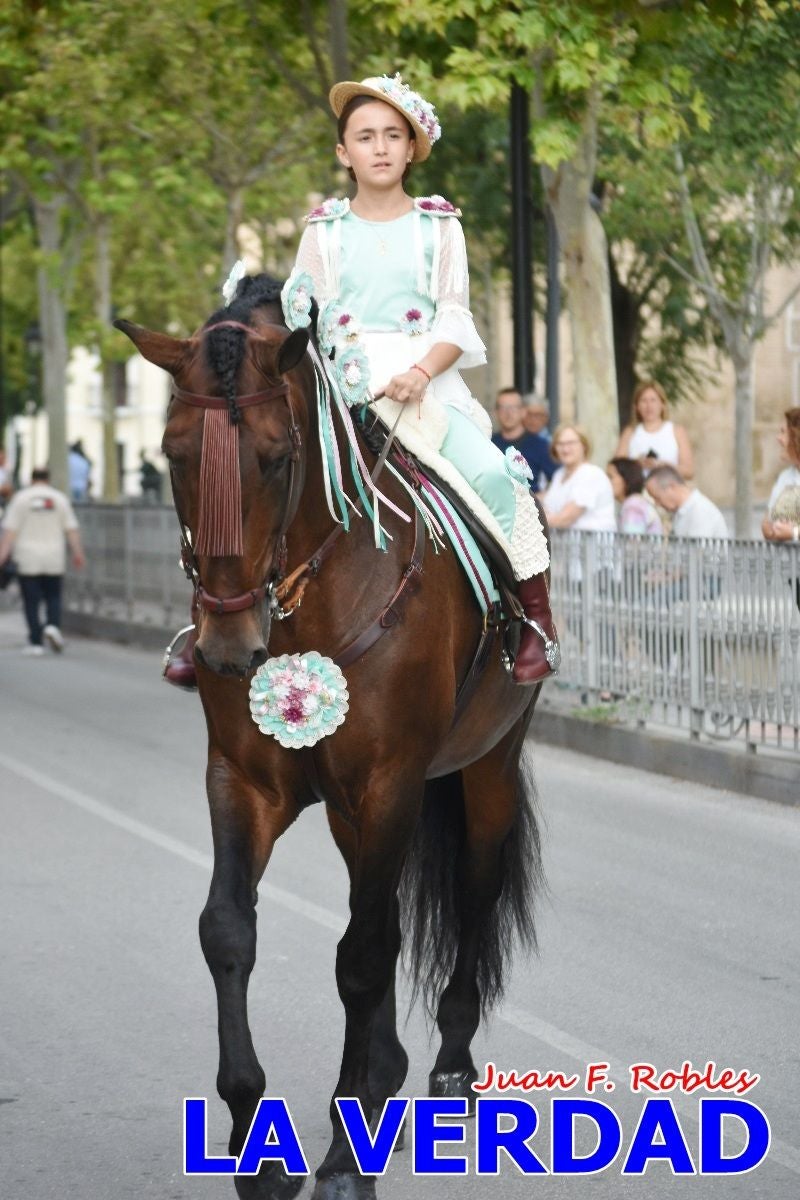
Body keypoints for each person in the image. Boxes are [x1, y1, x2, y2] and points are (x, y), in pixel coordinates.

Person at [282, 72, 558, 685]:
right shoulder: (321, 233)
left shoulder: (440, 228)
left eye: (391, 135)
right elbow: (305, 320)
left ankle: (534, 619)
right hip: (340, 394)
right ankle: (212, 625)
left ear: (412, 148)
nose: (379, 147)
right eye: (364, 137)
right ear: (343, 153)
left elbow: (456, 315)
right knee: (251, 474)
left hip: (425, 387)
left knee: (493, 476)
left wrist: (419, 372)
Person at [0, 467, 85, 655]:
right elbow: (71, 529)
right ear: (48, 479)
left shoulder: (21, 499)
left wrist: (2, 557)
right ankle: (53, 626)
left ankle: (35, 642)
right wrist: (78, 553)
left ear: (31, 479)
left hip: (28, 558)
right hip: (54, 558)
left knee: (31, 601)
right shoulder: (59, 499)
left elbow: (9, 533)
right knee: (53, 596)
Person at [542, 425, 616, 532]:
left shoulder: (591, 474)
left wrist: (530, 522)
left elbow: (564, 519)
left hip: (593, 547)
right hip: (566, 546)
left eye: (571, 443)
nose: (565, 449)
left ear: (584, 445)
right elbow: (547, 509)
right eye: (560, 444)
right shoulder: (558, 475)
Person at [614, 380, 694, 479]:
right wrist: (636, 464)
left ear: (662, 405)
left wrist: (662, 465)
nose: (649, 406)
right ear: (636, 406)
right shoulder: (630, 432)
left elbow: (689, 471)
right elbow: (616, 468)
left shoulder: (676, 431)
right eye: (644, 401)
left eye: (653, 400)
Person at [491, 387, 556, 492]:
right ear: (496, 412)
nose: (508, 413)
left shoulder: (540, 445)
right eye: (503, 408)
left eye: (513, 408)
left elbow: (560, 479)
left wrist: (541, 498)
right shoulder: (489, 444)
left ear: (523, 411)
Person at [645, 466, 728, 539]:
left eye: (657, 498)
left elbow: (697, 553)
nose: (657, 504)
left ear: (671, 487)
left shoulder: (700, 510)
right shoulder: (682, 511)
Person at [762, 407, 800, 544]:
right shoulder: (784, 477)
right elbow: (768, 518)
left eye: (783, 432)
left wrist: (794, 533)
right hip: (784, 564)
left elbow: (792, 532)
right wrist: (767, 528)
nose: (778, 438)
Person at [607, 457, 663, 535]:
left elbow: (632, 543)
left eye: (610, 477)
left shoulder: (633, 507)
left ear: (626, 479)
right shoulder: (635, 503)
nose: (605, 482)